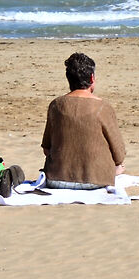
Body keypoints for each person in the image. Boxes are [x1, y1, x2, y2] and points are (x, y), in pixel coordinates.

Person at [40, 51, 126, 188]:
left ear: (68, 79)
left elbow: (46, 148)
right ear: (92, 78)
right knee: (119, 166)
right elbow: (119, 154)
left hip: (56, 179)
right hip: (95, 181)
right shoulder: (103, 107)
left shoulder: (56, 105)